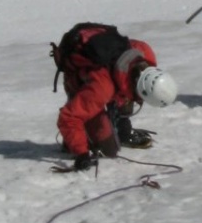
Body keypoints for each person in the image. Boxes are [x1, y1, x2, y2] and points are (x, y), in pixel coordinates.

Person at [53, 24, 177, 169]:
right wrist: (82, 154)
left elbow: (124, 74)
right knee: (108, 150)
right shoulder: (102, 89)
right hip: (80, 74)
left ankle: (121, 131)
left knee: (124, 96)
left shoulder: (145, 54)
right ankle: (73, 142)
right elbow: (68, 117)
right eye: (142, 98)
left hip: (113, 74)